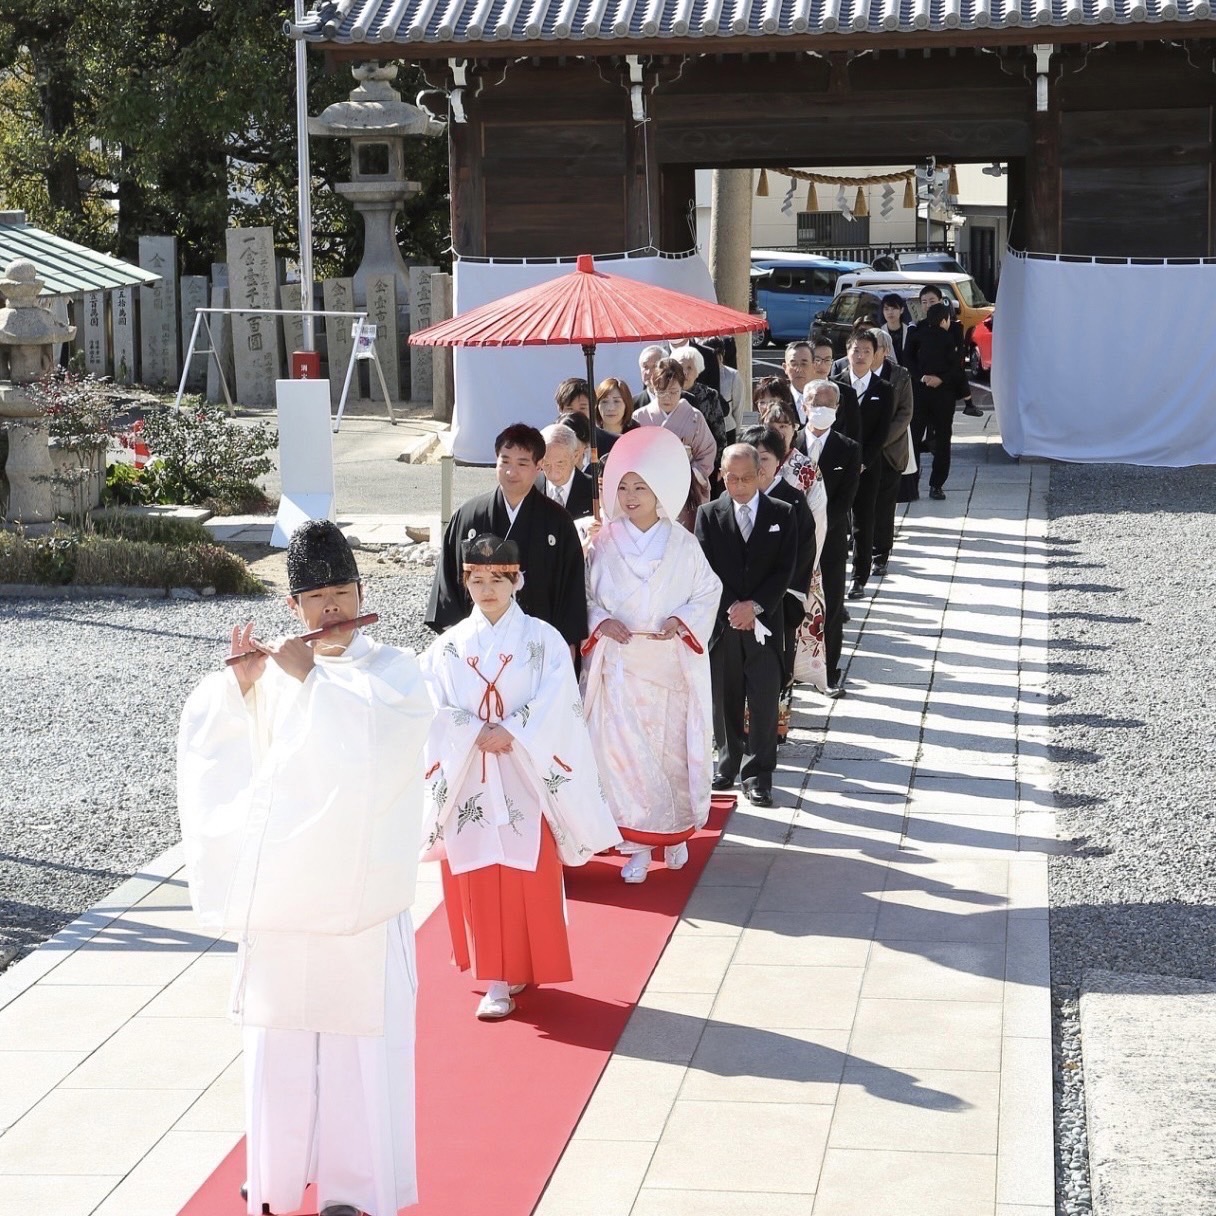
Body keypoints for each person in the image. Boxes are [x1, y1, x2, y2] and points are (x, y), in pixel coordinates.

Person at [176, 520, 434, 1216]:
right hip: (287, 899)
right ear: (292, 607)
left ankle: (353, 1190)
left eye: (341, 592)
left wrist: (314, 680)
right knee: (280, 1045)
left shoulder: (395, 671)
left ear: (362, 590)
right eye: (314, 597)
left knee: (359, 1051)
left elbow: (382, 749)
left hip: (358, 902)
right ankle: (276, 1176)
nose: (330, 611)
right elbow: (221, 754)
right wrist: (240, 693)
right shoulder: (281, 670)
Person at [420, 535, 621, 1020]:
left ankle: (525, 964)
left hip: (525, 773)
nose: (486, 589)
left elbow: (560, 700)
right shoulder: (447, 648)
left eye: (497, 579)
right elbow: (432, 706)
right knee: (480, 872)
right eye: (477, 579)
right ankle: (494, 978)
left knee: (526, 870)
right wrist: (473, 730)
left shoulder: (543, 639)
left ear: (516, 581)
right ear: (465, 581)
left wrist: (511, 729)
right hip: (470, 774)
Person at [582, 428, 722, 884]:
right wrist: (600, 620)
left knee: (668, 757)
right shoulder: (602, 543)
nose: (629, 496)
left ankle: (675, 834)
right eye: (622, 486)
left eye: (640, 486)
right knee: (624, 761)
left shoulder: (682, 544)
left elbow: (708, 590)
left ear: (660, 489)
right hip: (619, 664)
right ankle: (636, 846)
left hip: (666, 665)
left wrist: (683, 619)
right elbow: (583, 595)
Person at [695, 444, 796, 807]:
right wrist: (731, 609)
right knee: (725, 697)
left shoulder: (782, 513)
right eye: (731, 478)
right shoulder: (708, 514)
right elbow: (704, 570)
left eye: (747, 478)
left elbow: (785, 569)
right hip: (724, 625)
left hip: (765, 622)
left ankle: (758, 774)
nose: (738, 485)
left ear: (761, 475)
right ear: (721, 475)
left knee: (765, 698)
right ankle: (727, 761)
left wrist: (754, 606)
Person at [426, 423, 588, 647]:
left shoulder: (558, 522)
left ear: (539, 466)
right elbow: (448, 586)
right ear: (496, 460)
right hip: (477, 646)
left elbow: (571, 593)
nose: (512, 472)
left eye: (522, 463)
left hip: (538, 648)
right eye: (505, 462)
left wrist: (565, 649)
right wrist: (456, 646)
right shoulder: (469, 516)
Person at [742, 425, 816, 706]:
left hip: (778, 600)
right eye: (753, 458)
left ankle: (775, 722)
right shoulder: (730, 500)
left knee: (775, 661)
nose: (759, 467)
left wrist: (780, 592)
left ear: (780, 461)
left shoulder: (792, 499)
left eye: (765, 458)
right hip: (739, 598)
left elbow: (804, 549)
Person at [803, 382, 861, 696]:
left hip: (831, 538)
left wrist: (818, 526)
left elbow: (845, 499)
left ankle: (830, 669)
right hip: (794, 539)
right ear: (804, 406)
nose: (821, 407)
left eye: (828, 403)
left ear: (837, 410)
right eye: (815, 402)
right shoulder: (790, 444)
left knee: (832, 604)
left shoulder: (848, 448)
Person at [633, 357, 716, 529]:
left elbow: (707, 452)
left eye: (673, 391)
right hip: (650, 485)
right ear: (653, 387)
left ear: (682, 388)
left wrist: (690, 473)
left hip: (685, 488)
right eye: (661, 392)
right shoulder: (640, 417)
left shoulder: (694, 416)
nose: (667, 398)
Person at [842, 328, 894, 601]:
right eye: (856, 350)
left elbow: (882, 432)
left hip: (868, 466)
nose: (860, 356)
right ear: (847, 352)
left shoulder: (883, 388)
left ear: (875, 356)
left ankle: (859, 578)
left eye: (866, 351)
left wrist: (864, 461)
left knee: (863, 521)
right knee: (837, 521)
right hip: (838, 466)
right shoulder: (835, 385)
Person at [870, 326, 914, 574]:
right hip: (863, 450)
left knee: (885, 504)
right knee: (862, 503)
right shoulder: (853, 372)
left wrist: (879, 440)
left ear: (885, 351)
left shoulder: (900, 375)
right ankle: (861, 545)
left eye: (874, 348)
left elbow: (905, 414)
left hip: (890, 450)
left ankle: (881, 553)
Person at [908, 302, 958, 501]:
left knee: (913, 438)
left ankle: (911, 483)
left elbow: (908, 359)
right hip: (943, 395)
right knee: (943, 439)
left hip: (919, 392)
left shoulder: (916, 335)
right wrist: (942, 379)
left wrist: (921, 377)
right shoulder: (950, 337)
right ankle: (937, 485)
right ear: (945, 319)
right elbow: (957, 366)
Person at [909, 285, 980, 416]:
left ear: (941, 301)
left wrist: (942, 378)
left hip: (946, 381)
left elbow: (959, 355)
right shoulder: (918, 327)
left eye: (932, 301)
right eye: (924, 302)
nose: (928, 305)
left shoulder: (954, 326)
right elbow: (909, 355)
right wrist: (922, 377)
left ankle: (969, 404)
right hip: (925, 380)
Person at [670, 344, 730, 461]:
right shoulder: (668, 394)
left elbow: (719, 432)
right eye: (681, 368)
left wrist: (719, 463)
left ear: (698, 370)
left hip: (705, 459)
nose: (685, 373)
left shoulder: (710, 395)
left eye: (689, 368)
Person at [537, 422, 593, 518]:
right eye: (546, 464)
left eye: (560, 463)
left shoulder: (594, 490)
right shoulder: (528, 487)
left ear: (575, 456)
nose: (554, 473)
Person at [555, 375, 619, 457]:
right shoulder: (548, 442)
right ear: (560, 410)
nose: (576, 414)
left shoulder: (613, 443)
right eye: (570, 409)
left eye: (582, 408)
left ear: (593, 407)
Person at [704, 337, 743, 439]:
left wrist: (737, 432)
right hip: (705, 430)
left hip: (728, 428)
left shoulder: (732, 375)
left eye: (717, 354)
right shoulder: (699, 374)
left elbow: (738, 407)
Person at [881, 292, 914, 367]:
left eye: (894, 308)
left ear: (901, 310)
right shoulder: (879, 333)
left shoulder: (910, 331)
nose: (890, 312)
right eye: (886, 309)